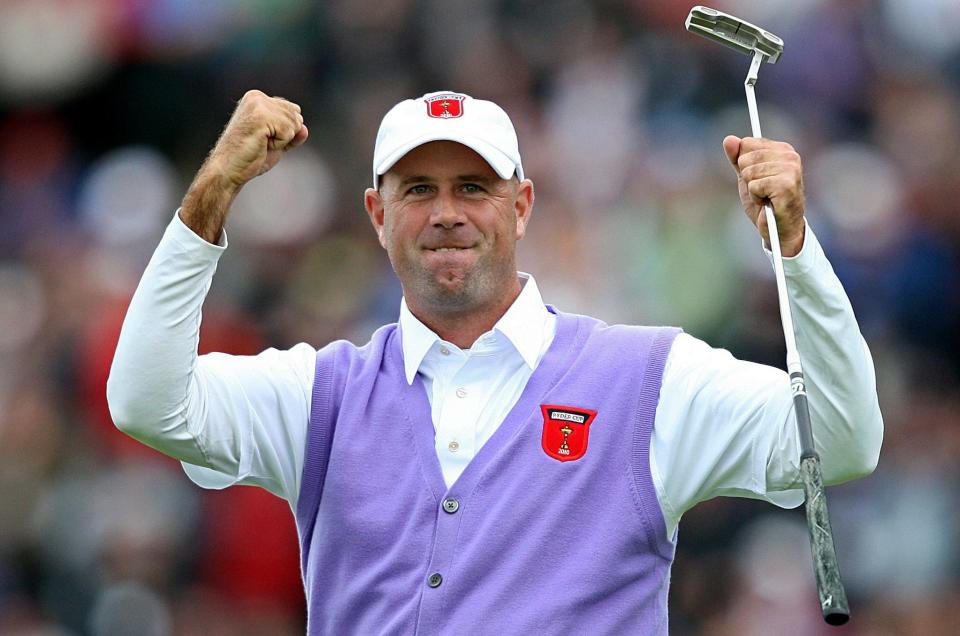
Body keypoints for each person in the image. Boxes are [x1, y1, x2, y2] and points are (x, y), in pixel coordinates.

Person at [107, 89, 883, 634]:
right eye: (419, 189)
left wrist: (797, 249)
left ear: (522, 206)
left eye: (474, 186)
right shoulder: (321, 393)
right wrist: (214, 189)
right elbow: (146, 402)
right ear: (378, 216)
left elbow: (844, 443)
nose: (446, 213)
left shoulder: (647, 379)